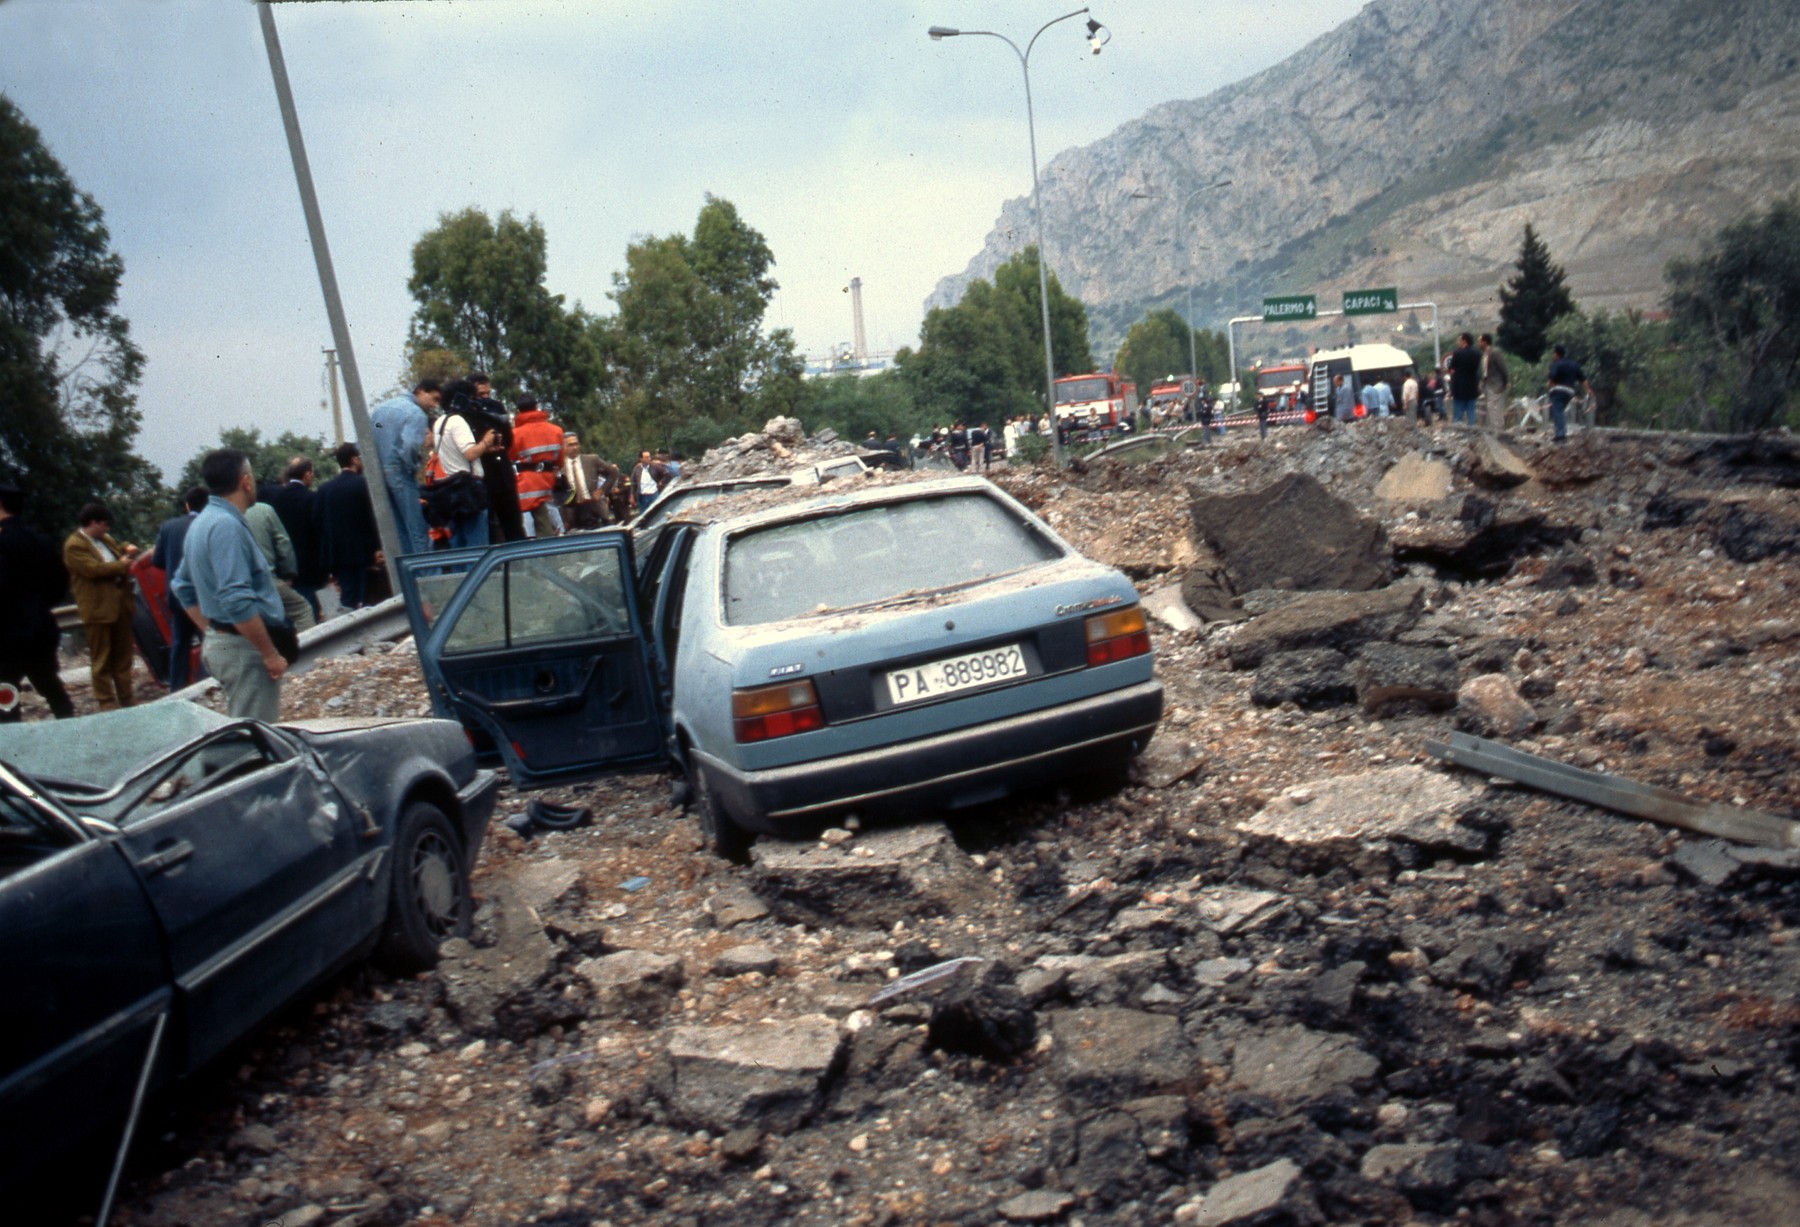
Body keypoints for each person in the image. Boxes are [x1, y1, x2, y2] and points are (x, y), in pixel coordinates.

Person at [171, 448, 292, 723]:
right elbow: (237, 599)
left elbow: (181, 586)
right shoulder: (227, 526)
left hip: (226, 642)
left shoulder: (202, 522)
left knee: (242, 729)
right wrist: (269, 654)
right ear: (246, 481)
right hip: (243, 650)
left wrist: (213, 630)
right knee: (255, 740)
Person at [0, 481, 75, 721]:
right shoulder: (40, 539)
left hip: (7, 632)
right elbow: (60, 583)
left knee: (6, 694)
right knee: (50, 685)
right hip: (41, 625)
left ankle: (11, 750)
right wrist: (39, 606)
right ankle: (72, 730)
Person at [63, 502, 140, 711]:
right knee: (101, 658)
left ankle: (126, 696)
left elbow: (116, 549)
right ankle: (105, 700)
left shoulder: (104, 539)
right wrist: (122, 565)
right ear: (93, 523)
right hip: (97, 610)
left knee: (123, 656)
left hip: (120, 606)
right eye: (104, 525)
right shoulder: (74, 546)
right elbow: (94, 569)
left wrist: (126, 548)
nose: (107, 529)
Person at [369, 379, 441, 556]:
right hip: (400, 471)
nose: (434, 405)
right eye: (434, 399)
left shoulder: (380, 410)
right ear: (421, 392)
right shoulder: (416, 415)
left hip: (378, 474)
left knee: (399, 531)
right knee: (417, 529)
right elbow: (409, 445)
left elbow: (366, 440)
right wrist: (412, 465)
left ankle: (407, 579)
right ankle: (427, 577)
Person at [431, 379, 502, 550]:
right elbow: (469, 453)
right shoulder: (458, 421)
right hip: (469, 488)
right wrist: (485, 442)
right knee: (476, 544)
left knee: (458, 542)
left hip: (452, 486)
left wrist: (486, 449)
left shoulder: (440, 422)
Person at [152, 486, 210, 689]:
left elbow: (157, 560)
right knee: (209, 637)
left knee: (180, 644)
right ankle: (206, 682)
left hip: (177, 595)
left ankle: (177, 688)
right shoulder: (209, 524)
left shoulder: (169, 527)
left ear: (187, 505)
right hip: (203, 596)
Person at [315, 442, 383, 611]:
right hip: (364, 553)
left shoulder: (324, 490)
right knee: (368, 598)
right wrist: (377, 547)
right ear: (354, 460)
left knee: (347, 598)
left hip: (339, 555)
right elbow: (373, 518)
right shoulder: (364, 484)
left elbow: (318, 521)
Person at [264, 456, 327, 622]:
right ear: (306, 475)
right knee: (311, 609)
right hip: (312, 564)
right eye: (312, 473)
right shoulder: (312, 498)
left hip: (286, 565)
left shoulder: (276, 499)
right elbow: (320, 531)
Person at [244, 494, 315, 631]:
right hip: (267, 580)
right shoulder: (264, 510)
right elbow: (283, 543)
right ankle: (311, 650)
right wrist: (289, 573)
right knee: (302, 609)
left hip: (237, 589)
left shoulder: (215, 520)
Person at [509, 396, 565, 538]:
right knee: (546, 517)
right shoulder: (556, 430)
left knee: (530, 522)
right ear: (536, 406)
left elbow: (510, 456)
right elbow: (559, 460)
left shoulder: (515, 434)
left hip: (526, 483)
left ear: (518, 411)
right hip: (547, 479)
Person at [1544, 343, 1593, 444]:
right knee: (1560, 411)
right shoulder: (1573, 364)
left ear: (1556, 354)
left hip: (1558, 390)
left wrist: (1549, 385)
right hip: (1569, 392)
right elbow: (1583, 380)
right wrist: (1588, 390)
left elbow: (1551, 377)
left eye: (1553, 354)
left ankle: (1560, 435)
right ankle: (1560, 433)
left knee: (1557, 411)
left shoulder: (1556, 364)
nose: (1552, 356)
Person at [560, 432, 607, 530]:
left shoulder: (591, 460)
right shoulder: (559, 466)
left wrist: (602, 490)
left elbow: (613, 472)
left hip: (592, 508)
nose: (574, 447)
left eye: (576, 444)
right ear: (563, 447)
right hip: (572, 513)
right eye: (570, 445)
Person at [1446, 333, 1482, 427]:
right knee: (1471, 410)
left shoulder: (1458, 353)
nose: (1457, 342)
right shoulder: (1477, 353)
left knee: (1458, 410)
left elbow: (1452, 367)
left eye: (1459, 340)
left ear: (1464, 340)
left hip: (1459, 386)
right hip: (1472, 385)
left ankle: (1457, 429)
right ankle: (1472, 428)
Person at [1478, 334, 1510, 431]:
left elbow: (1502, 367)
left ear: (1485, 342)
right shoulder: (1484, 354)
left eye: (1479, 341)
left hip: (1496, 383)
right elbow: (1485, 371)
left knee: (1492, 406)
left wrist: (1505, 382)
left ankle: (1497, 428)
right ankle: (1497, 427)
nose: (1478, 344)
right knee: (1492, 406)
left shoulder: (1495, 353)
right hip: (1488, 383)